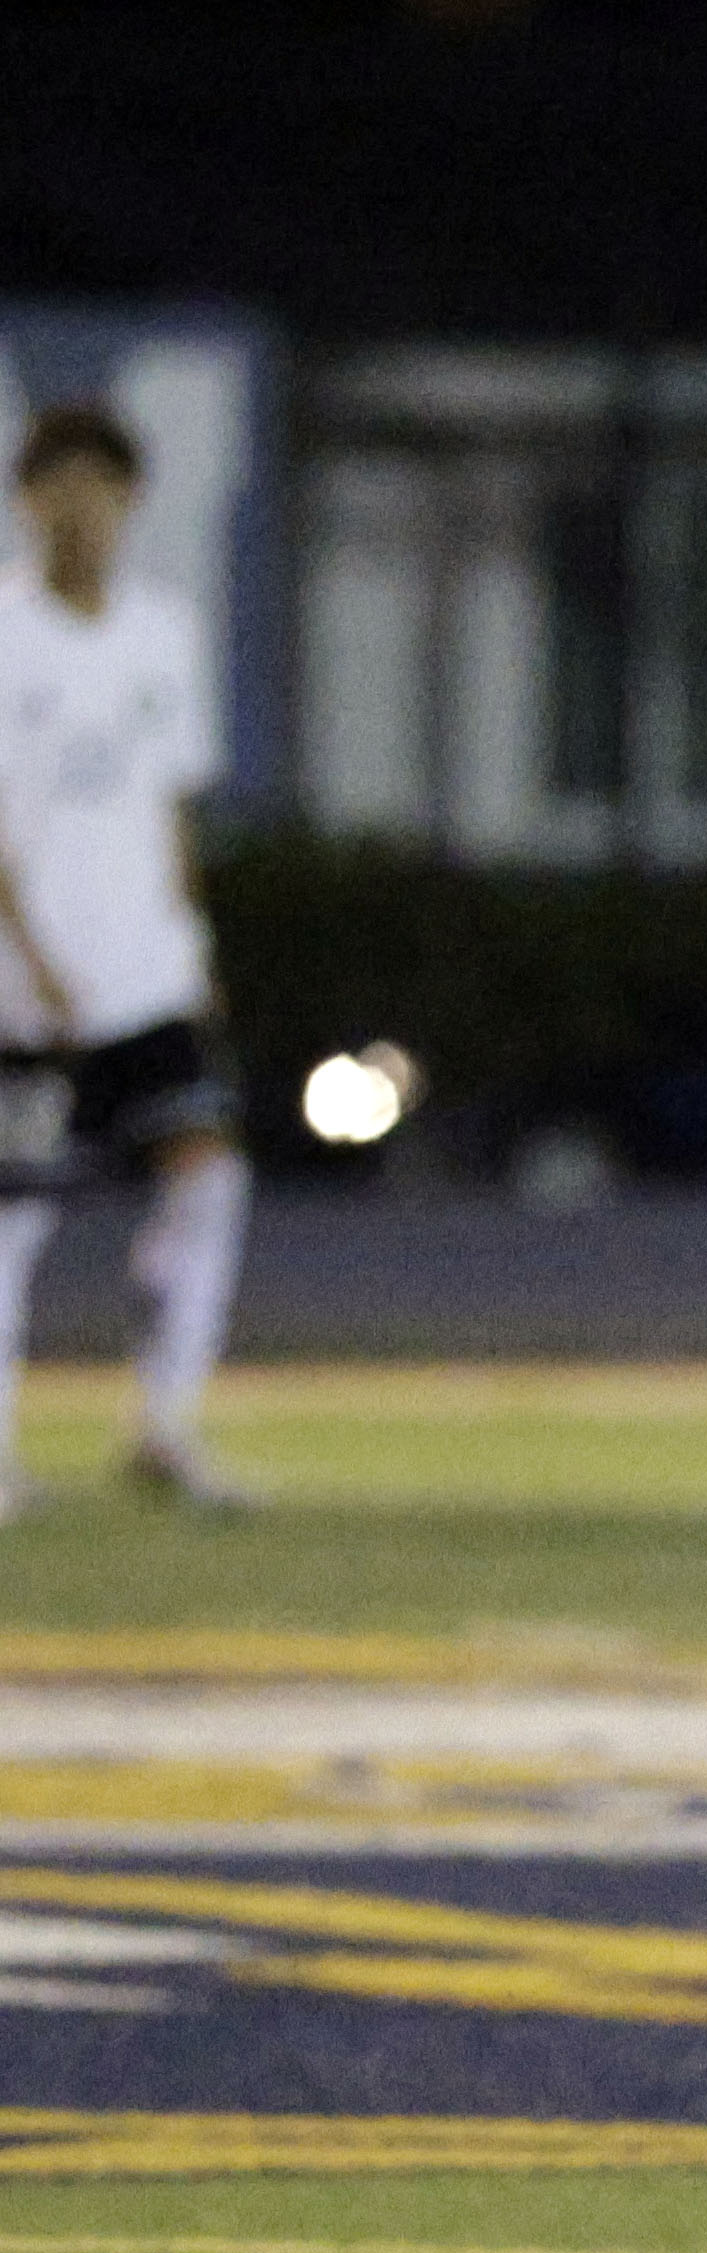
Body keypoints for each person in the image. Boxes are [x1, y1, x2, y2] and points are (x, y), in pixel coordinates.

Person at [0, 402, 250, 1521]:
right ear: (28, 498)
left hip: (145, 971)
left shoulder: (163, 634)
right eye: (61, 483)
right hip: (28, 986)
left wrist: (189, 941)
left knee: (209, 1177)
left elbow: (170, 806)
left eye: (103, 485)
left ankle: (164, 1422)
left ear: (132, 499)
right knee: (16, 1216)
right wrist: (28, 953)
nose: (83, 506)